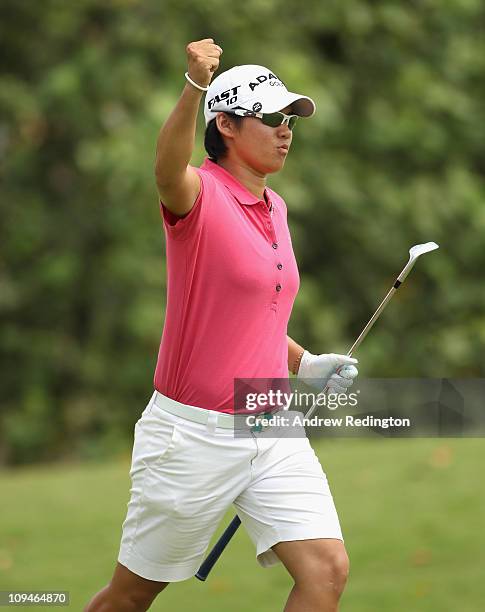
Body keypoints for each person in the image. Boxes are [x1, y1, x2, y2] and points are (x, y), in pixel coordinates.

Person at [85, 38, 358, 612]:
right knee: (130, 598)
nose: (287, 129)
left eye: (291, 119)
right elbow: (164, 170)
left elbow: (252, 318)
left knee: (326, 570)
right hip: (192, 435)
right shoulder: (197, 194)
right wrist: (194, 86)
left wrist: (304, 363)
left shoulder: (275, 207)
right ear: (228, 126)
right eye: (273, 118)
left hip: (268, 421)